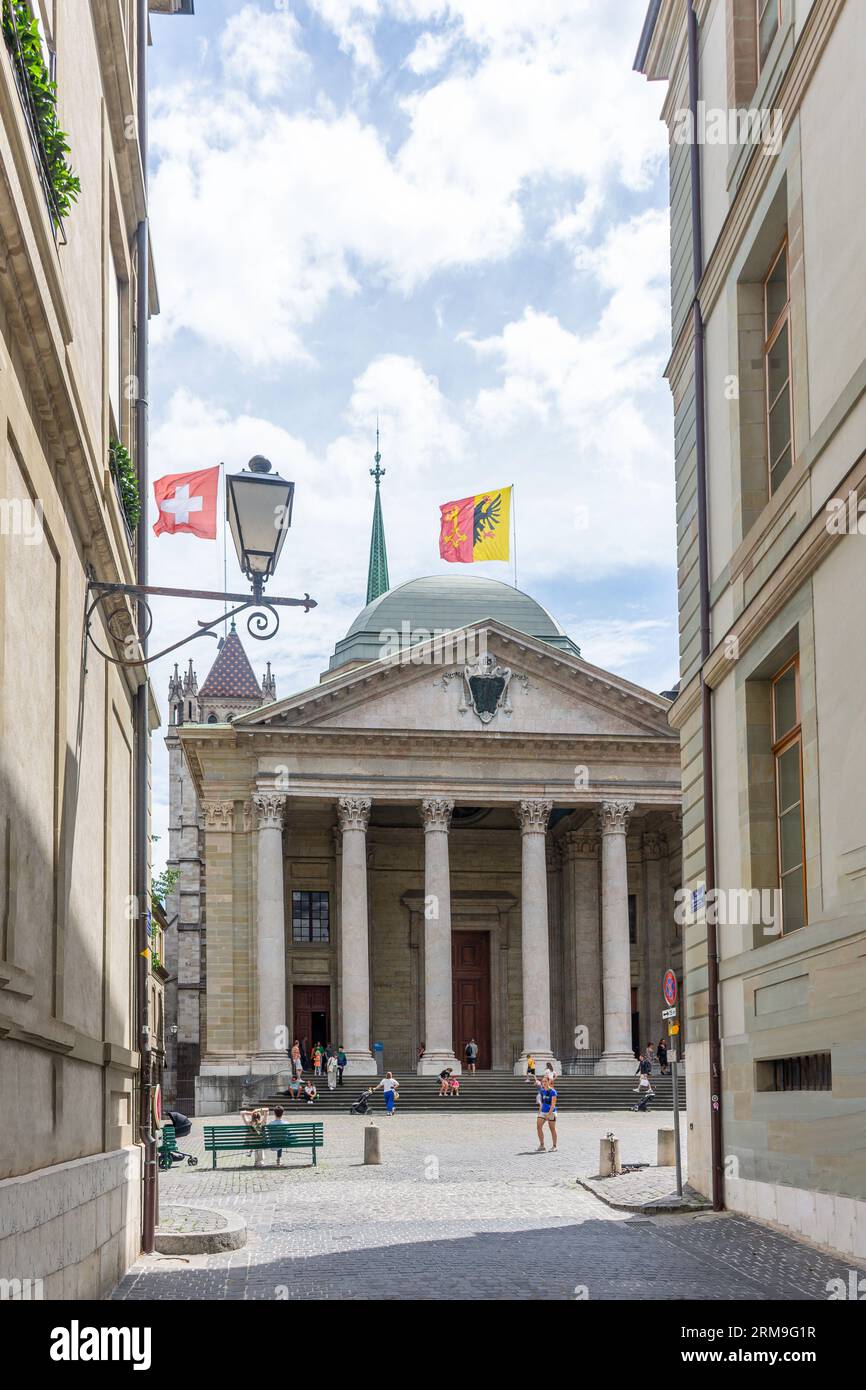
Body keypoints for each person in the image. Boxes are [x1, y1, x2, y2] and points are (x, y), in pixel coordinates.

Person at [536, 1076, 558, 1152]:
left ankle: (554, 1146)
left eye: (545, 1081)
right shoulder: (542, 1091)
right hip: (543, 1111)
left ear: (549, 1082)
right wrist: (539, 1111)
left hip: (551, 1112)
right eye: (543, 1081)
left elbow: (553, 1105)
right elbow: (542, 1103)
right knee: (538, 1127)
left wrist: (549, 1114)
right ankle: (542, 1145)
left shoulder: (553, 1091)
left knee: (552, 1129)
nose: (544, 1083)